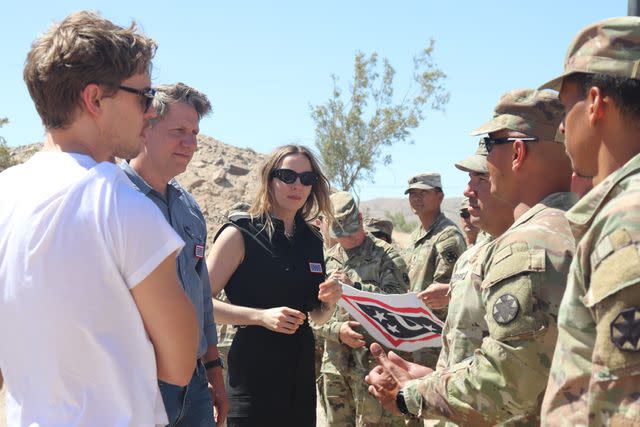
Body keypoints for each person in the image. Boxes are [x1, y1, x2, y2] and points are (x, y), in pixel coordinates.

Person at [0, 11, 199, 426]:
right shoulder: (117, 202)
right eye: (144, 97)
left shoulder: (6, 191)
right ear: (94, 99)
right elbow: (180, 362)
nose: (149, 112)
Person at [366, 89, 576, 425]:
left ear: (517, 152)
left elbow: (508, 382)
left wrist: (411, 396)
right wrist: (434, 377)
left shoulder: (531, 243)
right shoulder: (584, 223)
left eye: (490, 147)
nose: (475, 182)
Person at [539, 17, 640, 425]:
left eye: (566, 108)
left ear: (596, 103)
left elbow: (625, 408)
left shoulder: (625, 222)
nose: (562, 127)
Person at [206, 145, 342, 427]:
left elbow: (315, 317)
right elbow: (199, 303)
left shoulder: (313, 240)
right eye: (287, 176)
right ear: (270, 179)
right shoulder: (240, 233)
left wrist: (328, 302)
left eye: (307, 179)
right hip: (253, 375)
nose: (297, 185)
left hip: (300, 375)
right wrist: (260, 317)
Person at [122, 82, 227, 426]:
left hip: (194, 385)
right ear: (145, 129)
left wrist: (213, 370)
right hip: (136, 385)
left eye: (194, 133)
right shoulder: (113, 199)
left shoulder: (189, 209)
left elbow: (202, 299)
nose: (190, 143)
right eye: (178, 131)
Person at [316, 191, 410, 427]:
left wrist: (355, 287)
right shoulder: (327, 259)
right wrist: (337, 330)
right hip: (336, 368)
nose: (347, 240)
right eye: (340, 235)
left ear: (359, 218)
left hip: (371, 369)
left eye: (350, 232)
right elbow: (311, 315)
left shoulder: (386, 256)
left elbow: (398, 308)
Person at [403, 173, 466, 367]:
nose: (416, 198)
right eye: (412, 193)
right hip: (412, 334)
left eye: (423, 192)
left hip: (432, 339)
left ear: (440, 196)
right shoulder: (415, 236)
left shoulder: (448, 237)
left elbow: (444, 294)